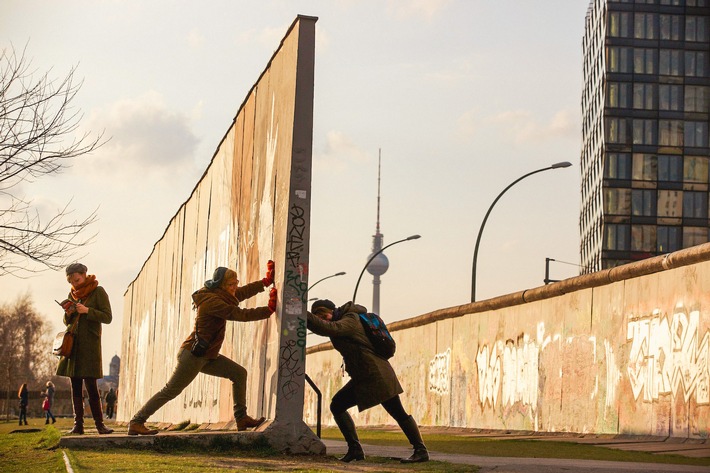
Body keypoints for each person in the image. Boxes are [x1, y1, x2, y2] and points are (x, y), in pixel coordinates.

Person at [128, 262, 278, 436]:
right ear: (221, 285)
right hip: (193, 355)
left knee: (238, 373)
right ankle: (137, 421)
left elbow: (241, 293)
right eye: (231, 284)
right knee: (171, 390)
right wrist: (268, 310)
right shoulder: (211, 302)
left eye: (236, 283)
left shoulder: (221, 294)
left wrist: (265, 282)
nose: (235, 287)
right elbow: (238, 314)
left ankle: (241, 418)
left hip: (207, 355)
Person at [307, 300, 429, 463]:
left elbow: (331, 328)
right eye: (320, 318)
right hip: (365, 376)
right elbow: (327, 327)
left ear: (332, 310)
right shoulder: (341, 319)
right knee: (338, 405)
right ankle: (355, 450)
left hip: (376, 374)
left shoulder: (351, 319)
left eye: (324, 316)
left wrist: (303, 313)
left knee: (397, 411)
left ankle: (421, 451)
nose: (325, 320)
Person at [56, 262, 114, 435]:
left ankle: (100, 425)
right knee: (75, 387)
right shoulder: (72, 295)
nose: (75, 284)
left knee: (91, 387)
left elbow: (108, 317)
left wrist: (87, 310)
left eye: (77, 279)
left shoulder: (98, 291)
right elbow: (68, 323)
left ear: (84, 274)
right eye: (71, 282)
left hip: (89, 346)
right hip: (73, 346)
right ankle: (78, 425)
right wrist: (68, 314)